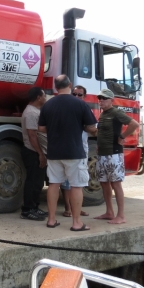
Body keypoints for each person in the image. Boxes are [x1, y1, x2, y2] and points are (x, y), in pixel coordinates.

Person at [38, 75, 97, 231]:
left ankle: (51, 220)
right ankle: (77, 222)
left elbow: (41, 128)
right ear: (70, 85)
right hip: (74, 151)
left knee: (54, 184)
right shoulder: (80, 104)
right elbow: (91, 127)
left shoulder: (48, 105)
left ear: (56, 87)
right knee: (76, 186)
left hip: (54, 151)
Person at [93, 88, 139, 224]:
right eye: (99, 98)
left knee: (115, 184)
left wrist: (122, 136)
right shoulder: (103, 114)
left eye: (104, 98)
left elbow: (134, 124)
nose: (101, 101)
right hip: (102, 154)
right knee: (104, 183)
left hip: (114, 154)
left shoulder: (116, 112)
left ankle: (121, 216)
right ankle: (109, 212)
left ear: (111, 100)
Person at [61, 85, 90, 218]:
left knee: (80, 181)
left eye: (80, 95)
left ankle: (77, 208)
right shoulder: (67, 108)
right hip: (70, 149)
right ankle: (68, 209)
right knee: (67, 182)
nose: (77, 97)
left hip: (82, 149)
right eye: (75, 94)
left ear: (84, 97)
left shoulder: (85, 109)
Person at [20, 87, 48, 221]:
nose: (45, 98)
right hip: (32, 152)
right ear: (38, 97)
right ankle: (27, 210)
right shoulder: (31, 113)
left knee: (38, 182)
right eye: (44, 95)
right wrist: (40, 154)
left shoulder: (36, 111)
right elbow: (32, 135)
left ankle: (35, 207)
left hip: (36, 151)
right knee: (32, 182)